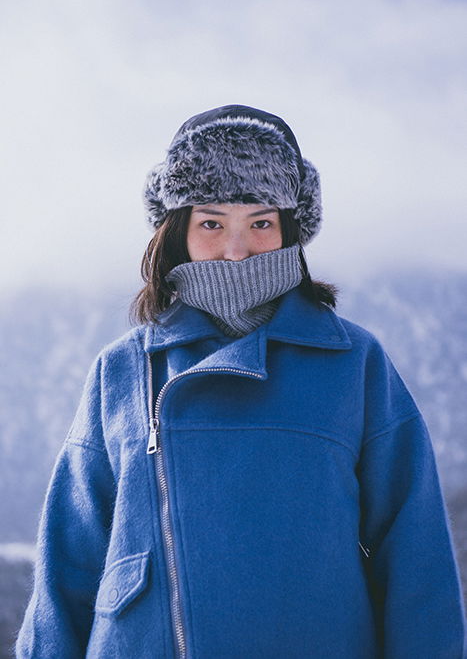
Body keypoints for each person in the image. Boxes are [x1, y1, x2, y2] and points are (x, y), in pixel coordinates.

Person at [15, 104, 466, 658]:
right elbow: (68, 562)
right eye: (211, 223)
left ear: (288, 231)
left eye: (260, 222)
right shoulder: (123, 368)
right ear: (177, 232)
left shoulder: (355, 362)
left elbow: (415, 558)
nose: (235, 249)